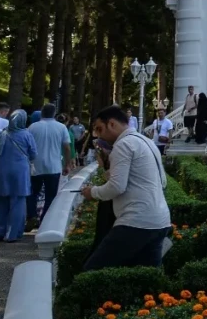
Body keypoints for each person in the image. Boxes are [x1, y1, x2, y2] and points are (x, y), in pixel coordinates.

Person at [82, 105, 172, 270]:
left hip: (136, 222)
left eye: (100, 129)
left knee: (92, 271)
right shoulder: (147, 141)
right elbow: (162, 181)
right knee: (145, 278)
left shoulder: (123, 144)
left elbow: (116, 187)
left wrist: (92, 192)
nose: (99, 135)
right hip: (160, 221)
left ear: (112, 124)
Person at [0, 109, 36, 243]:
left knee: (1, 202)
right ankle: (13, 233)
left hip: (0, 172)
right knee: (17, 203)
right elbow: (33, 154)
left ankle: (0, 232)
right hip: (19, 172)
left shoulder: (1, 133)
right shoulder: (26, 135)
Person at [27, 103, 71, 228]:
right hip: (54, 166)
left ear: (42, 113)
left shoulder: (32, 127)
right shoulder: (61, 127)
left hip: (35, 166)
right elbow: (67, 147)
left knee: (32, 193)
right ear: (54, 113)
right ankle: (44, 220)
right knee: (50, 195)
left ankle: (32, 215)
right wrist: (67, 164)